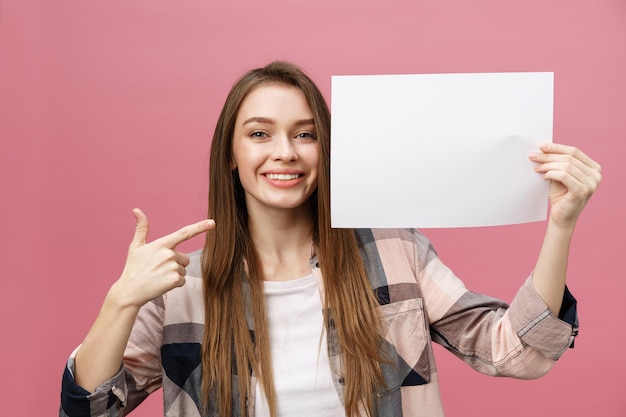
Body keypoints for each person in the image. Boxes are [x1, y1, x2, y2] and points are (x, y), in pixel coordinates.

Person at [59, 61, 602, 417]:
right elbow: (88, 411)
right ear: (231, 154)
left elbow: (521, 354)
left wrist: (560, 226)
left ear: (326, 149)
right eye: (259, 134)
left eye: (305, 134)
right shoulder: (180, 288)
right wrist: (120, 301)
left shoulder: (396, 253)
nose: (285, 153)